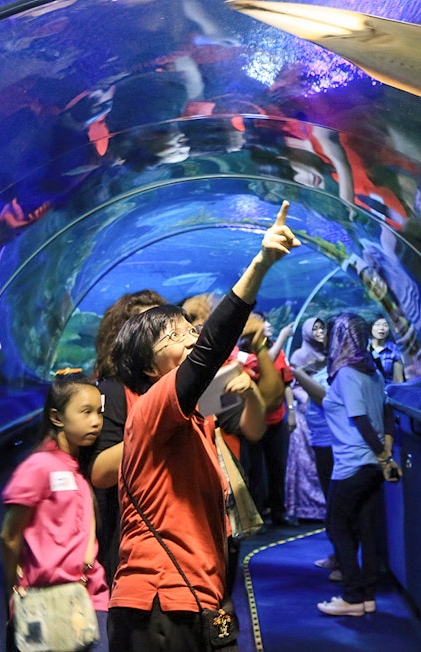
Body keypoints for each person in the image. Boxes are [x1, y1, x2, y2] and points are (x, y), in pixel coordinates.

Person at [107, 202, 298, 651]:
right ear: (150, 368)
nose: (192, 337)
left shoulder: (193, 418)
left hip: (197, 596)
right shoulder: (152, 409)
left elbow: (257, 410)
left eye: (189, 329)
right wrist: (260, 264)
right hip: (157, 601)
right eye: (175, 335)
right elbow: (211, 349)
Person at [0, 373, 110, 648]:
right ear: (57, 417)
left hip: (90, 596)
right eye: (85, 412)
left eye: (99, 412)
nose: (96, 421)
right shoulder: (39, 466)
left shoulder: (75, 469)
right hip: (49, 601)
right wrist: (14, 588)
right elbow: (9, 535)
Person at [80, 289, 167, 586]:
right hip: (127, 537)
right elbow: (100, 471)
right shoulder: (111, 392)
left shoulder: (177, 390)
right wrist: (156, 421)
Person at [317, 313, 400, 618]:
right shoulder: (373, 370)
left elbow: (360, 419)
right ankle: (367, 596)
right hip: (371, 465)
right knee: (366, 528)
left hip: (353, 463)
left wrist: (381, 454)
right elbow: (387, 409)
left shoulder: (347, 374)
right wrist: (386, 446)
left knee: (336, 525)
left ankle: (352, 596)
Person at [231, 311, 295, 527]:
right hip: (253, 422)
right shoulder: (240, 354)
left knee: (277, 466)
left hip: (277, 420)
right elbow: (260, 366)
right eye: (257, 323)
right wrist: (282, 338)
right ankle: (257, 515)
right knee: (255, 470)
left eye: (263, 322)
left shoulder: (274, 349)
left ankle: (279, 511)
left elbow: (284, 381)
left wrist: (291, 411)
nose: (263, 325)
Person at [285, 317, 329, 522]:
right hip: (306, 414)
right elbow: (292, 385)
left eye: (322, 327)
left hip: (326, 415)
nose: (319, 331)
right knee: (306, 464)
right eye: (315, 328)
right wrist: (301, 403)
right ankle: (305, 508)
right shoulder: (299, 355)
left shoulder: (328, 352)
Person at [369, 315, 406, 383]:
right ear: (371, 327)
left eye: (385, 325)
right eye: (377, 325)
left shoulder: (394, 350)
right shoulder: (363, 346)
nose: (381, 328)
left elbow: (398, 381)